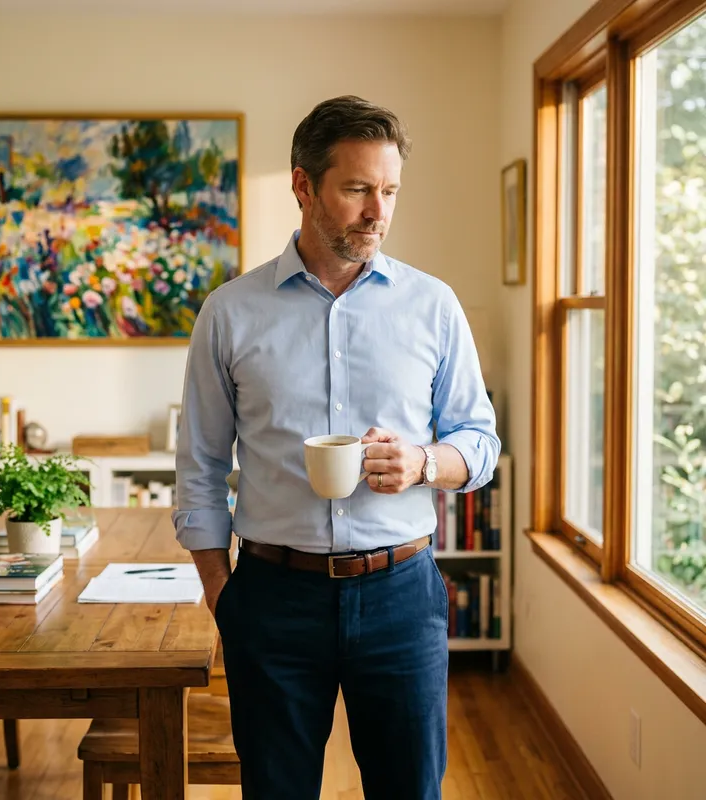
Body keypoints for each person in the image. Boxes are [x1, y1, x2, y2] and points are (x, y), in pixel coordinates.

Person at [174, 95, 500, 800]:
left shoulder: (433, 305)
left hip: (402, 597)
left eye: (388, 192)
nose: (376, 211)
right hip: (272, 599)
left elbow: (480, 440)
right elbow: (198, 463)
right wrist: (219, 591)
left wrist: (424, 462)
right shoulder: (230, 312)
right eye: (357, 189)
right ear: (303, 186)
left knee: (410, 789)